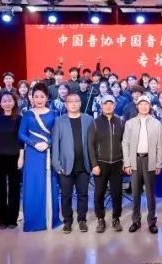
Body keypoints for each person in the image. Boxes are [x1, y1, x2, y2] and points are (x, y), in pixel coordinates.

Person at [18, 83, 61, 231]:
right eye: (36, 96)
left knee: (48, 183)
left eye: (42, 96)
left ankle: (50, 218)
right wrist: (33, 143)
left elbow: (57, 134)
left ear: (47, 97)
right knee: (33, 185)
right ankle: (34, 220)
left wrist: (48, 143)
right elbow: (21, 133)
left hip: (48, 153)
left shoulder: (54, 113)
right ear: (32, 98)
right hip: (32, 153)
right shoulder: (28, 114)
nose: (39, 99)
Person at [52, 92, 92, 233]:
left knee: (83, 194)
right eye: (70, 101)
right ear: (66, 104)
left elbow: (92, 143)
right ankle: (67, 221)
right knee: (66, 195)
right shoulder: (59, 121)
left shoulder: (88, 119)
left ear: (80, 103)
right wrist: (56, 164)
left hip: (84, 164)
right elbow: (55, 143)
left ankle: (82, 220)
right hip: (65, 166)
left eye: (76, 101)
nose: (74, 104)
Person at [123, 95, 162, 233]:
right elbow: (125, 144)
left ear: (150, 106)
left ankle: (152, 221)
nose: (144, 107)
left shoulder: (156, 123)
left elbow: (159, 145)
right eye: (141, 104)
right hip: (134, 160)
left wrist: (158, 163)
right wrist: (127, 163)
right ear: (137, 106)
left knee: (151, 193)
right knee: (135, 193)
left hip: (150, 160)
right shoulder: (130, 123)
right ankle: (136, 221)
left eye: (146, 104)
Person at [89, 94, 125, 232]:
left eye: (111, 104)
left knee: (117, 193)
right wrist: (94, 164)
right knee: (99, 193)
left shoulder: (120, 122)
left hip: (117, 163)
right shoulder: (95, 122)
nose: (108, 106)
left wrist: (125, 161)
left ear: (114, 106)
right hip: (101, 163)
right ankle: (100, 218)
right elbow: (90, 145)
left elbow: (125, 143)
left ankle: (116, 218)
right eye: (105, 104)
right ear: (101, 106)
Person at [0, 91, 24, 229]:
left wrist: (21, 157)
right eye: (4, 101)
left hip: (15, 156)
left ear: (14, 102)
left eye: (10, 101)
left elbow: (21, 140)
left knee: (14, 189)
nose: (7, 103)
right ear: (0, 103)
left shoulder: (19, 118)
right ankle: (2, 219)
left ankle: (12, 219)